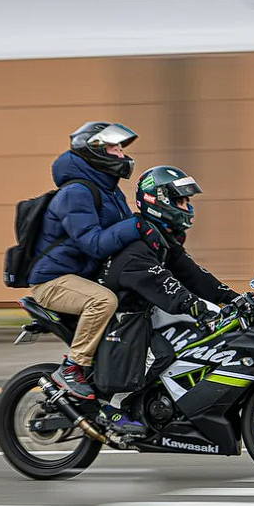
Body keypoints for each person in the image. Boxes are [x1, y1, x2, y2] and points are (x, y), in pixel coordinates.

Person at [94, 165, 242, 435]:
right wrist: (195, 306)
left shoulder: (162, 241)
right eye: (180, 200)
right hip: (123, 319)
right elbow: (163, 285)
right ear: (158, 200)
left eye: (187, 200)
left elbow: (195, 276)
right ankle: (113, 407)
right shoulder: (136, 247)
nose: (187, 206)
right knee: (168, 351)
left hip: (143, 313)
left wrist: (232, 299)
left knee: (201, 334)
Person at [29, 121, 155, 400]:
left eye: (121, 148)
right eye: (114, 147)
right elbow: (94, 244)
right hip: (54, 282)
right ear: (94, 150)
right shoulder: (76, 193)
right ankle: (72, 368)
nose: (121, 154)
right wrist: (136, 225)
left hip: (82, 276)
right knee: (103, 301)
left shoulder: (109, 191)